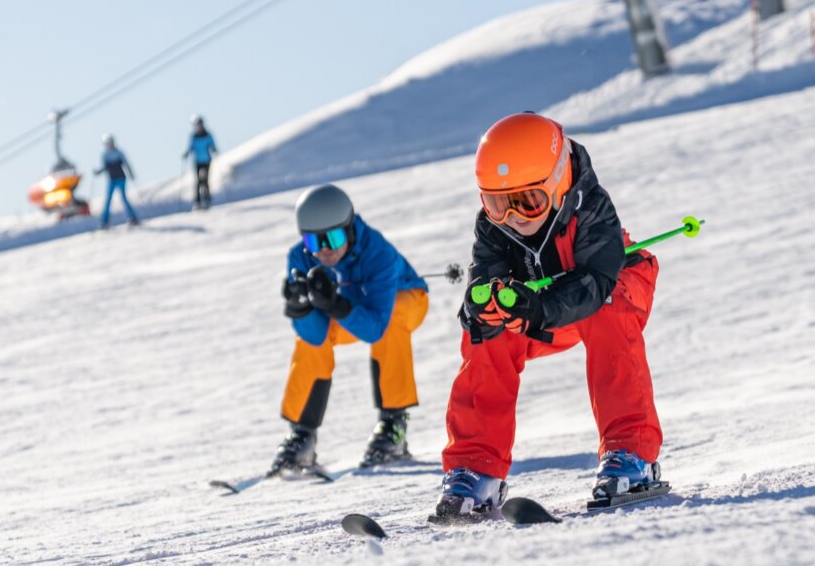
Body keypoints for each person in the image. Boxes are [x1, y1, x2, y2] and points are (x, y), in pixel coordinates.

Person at [433, 112, 665, 523]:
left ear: (557, 182)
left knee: (607, 311)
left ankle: (631, 452)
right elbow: (483, 281)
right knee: (488, 335)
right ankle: (478, 468)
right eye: (496, 203)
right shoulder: (495, 227)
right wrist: (481, 309)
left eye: (528, 201)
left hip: (613, 287)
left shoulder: (590, 205)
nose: (514, 216)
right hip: (542, 309)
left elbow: (595, 281)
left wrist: (539, 307)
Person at [272, 184, 430, 475]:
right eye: (313, 240)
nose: (324, 250)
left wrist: (333, 305)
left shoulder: (377, 252)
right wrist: (302, 309)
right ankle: (302, 434)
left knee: (394, 317)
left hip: (405, 303)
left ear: (349, 229)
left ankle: (393, 424)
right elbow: (316, 335)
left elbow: (375, 329)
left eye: (332, 237)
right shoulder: (300, 256)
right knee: (309, 342)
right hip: (352, 311)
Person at [97, 134, 140, 229]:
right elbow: (104, 167)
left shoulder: (119, 153)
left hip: (121, 178)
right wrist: (98, 172)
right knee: (108, 200)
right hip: (111, 180)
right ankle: (104, 221)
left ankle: (132, 218)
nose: (109, 145)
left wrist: (131, 174)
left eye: (110, 143)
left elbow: (126, 164)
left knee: (124, 198)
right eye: (107, 144)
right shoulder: (105, 155)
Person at [183, 115, 220, 211]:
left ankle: (207, 199)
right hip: (197, 161)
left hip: (206, 160)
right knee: (198, 181)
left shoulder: (207, 135)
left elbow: (212, 144)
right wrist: (186, 154)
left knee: (205, 180)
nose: (198, 126)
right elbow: (191, 147)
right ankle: (198, 201)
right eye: (197, 125)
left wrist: (214, 149)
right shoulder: (193, 136)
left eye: (199, 124)